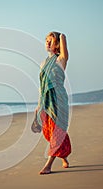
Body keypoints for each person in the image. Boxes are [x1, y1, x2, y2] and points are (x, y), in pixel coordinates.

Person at [36, 31, 71, 175]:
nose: (48, 43)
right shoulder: (43, 63)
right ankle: (64, 156)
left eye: (51, 41)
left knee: (57, 132)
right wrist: (39, 106)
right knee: (50, 133)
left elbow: (63, 41)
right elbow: (41, 86)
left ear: (57, 44)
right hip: (46, 101)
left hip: (59, 99)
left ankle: (49, 164)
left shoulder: (61, 59)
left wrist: (60, 36)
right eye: (46, 41)